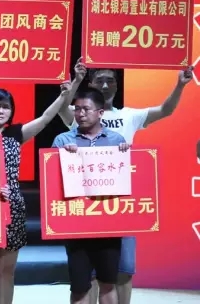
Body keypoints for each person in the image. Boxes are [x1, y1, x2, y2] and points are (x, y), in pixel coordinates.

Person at [58, 60, 193, 304]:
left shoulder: (129, 116)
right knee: (90, 274)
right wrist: (76, 80)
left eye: (110, 81)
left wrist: (180, 85)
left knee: (124, 268)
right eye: (100, 81)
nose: (105, 85)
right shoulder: (83, 114)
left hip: (119, 201)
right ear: (91, 84)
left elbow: (165, 110)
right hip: (85, 201)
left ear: (117, 85)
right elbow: (61, 108)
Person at [0, 82, 70, 304]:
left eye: (5, 107)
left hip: (13, 206)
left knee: (6, 271)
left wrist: (64, 95)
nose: (1, 111)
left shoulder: (17, 133)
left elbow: (46, 118)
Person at [52, 87, 130, 304]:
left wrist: (127, 154)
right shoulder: (62, 141)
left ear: (100, 112)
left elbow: (128, 181)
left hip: (109, 224)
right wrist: (61, 157)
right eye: (77, 109)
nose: (80, 114)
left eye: (86, 109)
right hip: (76, 225)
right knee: (79, 286)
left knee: (108, 283)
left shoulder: (116, 140)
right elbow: (51, 182)